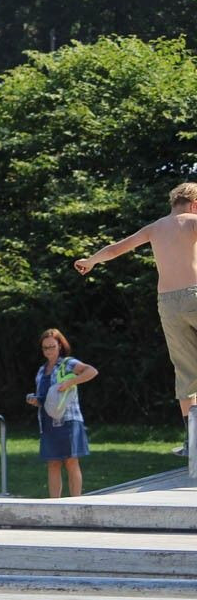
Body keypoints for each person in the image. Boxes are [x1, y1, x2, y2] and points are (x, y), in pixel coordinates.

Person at [75, 182, 197, 456]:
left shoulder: (155, 227)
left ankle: (192, 440)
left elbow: (117, 248)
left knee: (186, 371)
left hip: (167, 303)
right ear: (194, 204)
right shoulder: (193, 221)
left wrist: (91, 260)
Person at [26, 328, 98, 498]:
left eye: (52, 346)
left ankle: (75, 503)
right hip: (48, 421)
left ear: (60, 345)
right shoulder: (41, 370)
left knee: (71, 462)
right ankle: (54, 505)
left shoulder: (68, 363)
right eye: (45, 348)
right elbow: (47, 397)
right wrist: (36, 400)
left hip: (68, 420)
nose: (49, 351)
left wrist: (71, 381)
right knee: (53, 463)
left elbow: (92, 371)